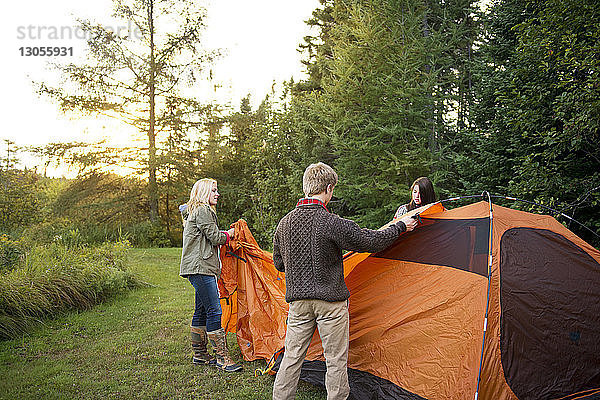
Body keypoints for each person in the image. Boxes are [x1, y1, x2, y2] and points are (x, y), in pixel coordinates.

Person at [272, 162, 418, 400]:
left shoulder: (284, 224)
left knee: (291, 357)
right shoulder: (331, 222)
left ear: (306, 187)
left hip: (298, 304)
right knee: (335, 361)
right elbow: (371, 241)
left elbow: (279, 263)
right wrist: (400, 226)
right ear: (328, 188)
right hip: (331, 304)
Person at [179, 178, 242, 373]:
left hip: (196, 267)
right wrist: (230, 234)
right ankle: (222, 357)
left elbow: (207, 235)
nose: (217, 194)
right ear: (204, 192)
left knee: (202, 310)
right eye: (213, 190)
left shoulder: (195, 211)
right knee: (214, 310)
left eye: (217, 190)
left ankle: (199, 355)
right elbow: (215, 237)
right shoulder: (203, 210)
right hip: (201, 267)